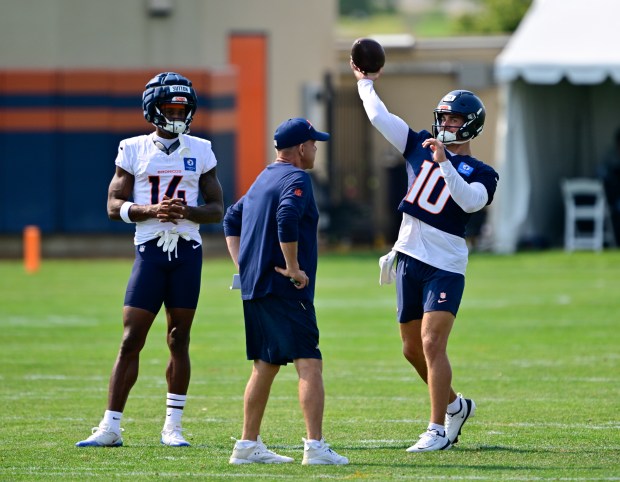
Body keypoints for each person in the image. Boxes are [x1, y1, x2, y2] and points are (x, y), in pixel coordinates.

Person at [351, 62, 499, 452]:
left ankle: (436, 430)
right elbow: (379, 116)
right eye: (444, 117)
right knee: (411, 349)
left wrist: (445, 164)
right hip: (408, 258)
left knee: (433, 344)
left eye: (454, 120)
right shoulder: (418, 143)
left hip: (445, 265)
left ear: (471, 125)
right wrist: (365, 82)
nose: (446, 125)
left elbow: (469, 202)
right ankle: (455, 405)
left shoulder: (481, 171)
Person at [76, 72, 224, 448]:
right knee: (130, 339)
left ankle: (172, 427)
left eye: (183, 108)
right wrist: (150, 210)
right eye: (171, 107)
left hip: (187, 252)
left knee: (179, 338)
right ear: (153, 110)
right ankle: (110, 426)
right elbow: (112, 206)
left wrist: (186, 210)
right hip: (150, 251)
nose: (178, 113)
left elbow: (217, 209)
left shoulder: (202, 149)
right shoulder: (133, 148)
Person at [222, 118, 348, 465]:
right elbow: (287, 216)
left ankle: (247, 446)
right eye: (314, 143)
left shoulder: (264, 177)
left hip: (256, 288)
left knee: (265, 365)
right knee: (310, 363)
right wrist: (292, 267)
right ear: (302, 148)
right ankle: (315, 447)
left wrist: (244, 266)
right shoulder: (297, 178)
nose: (316, 149)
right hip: (284, 289)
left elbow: (231, 218)